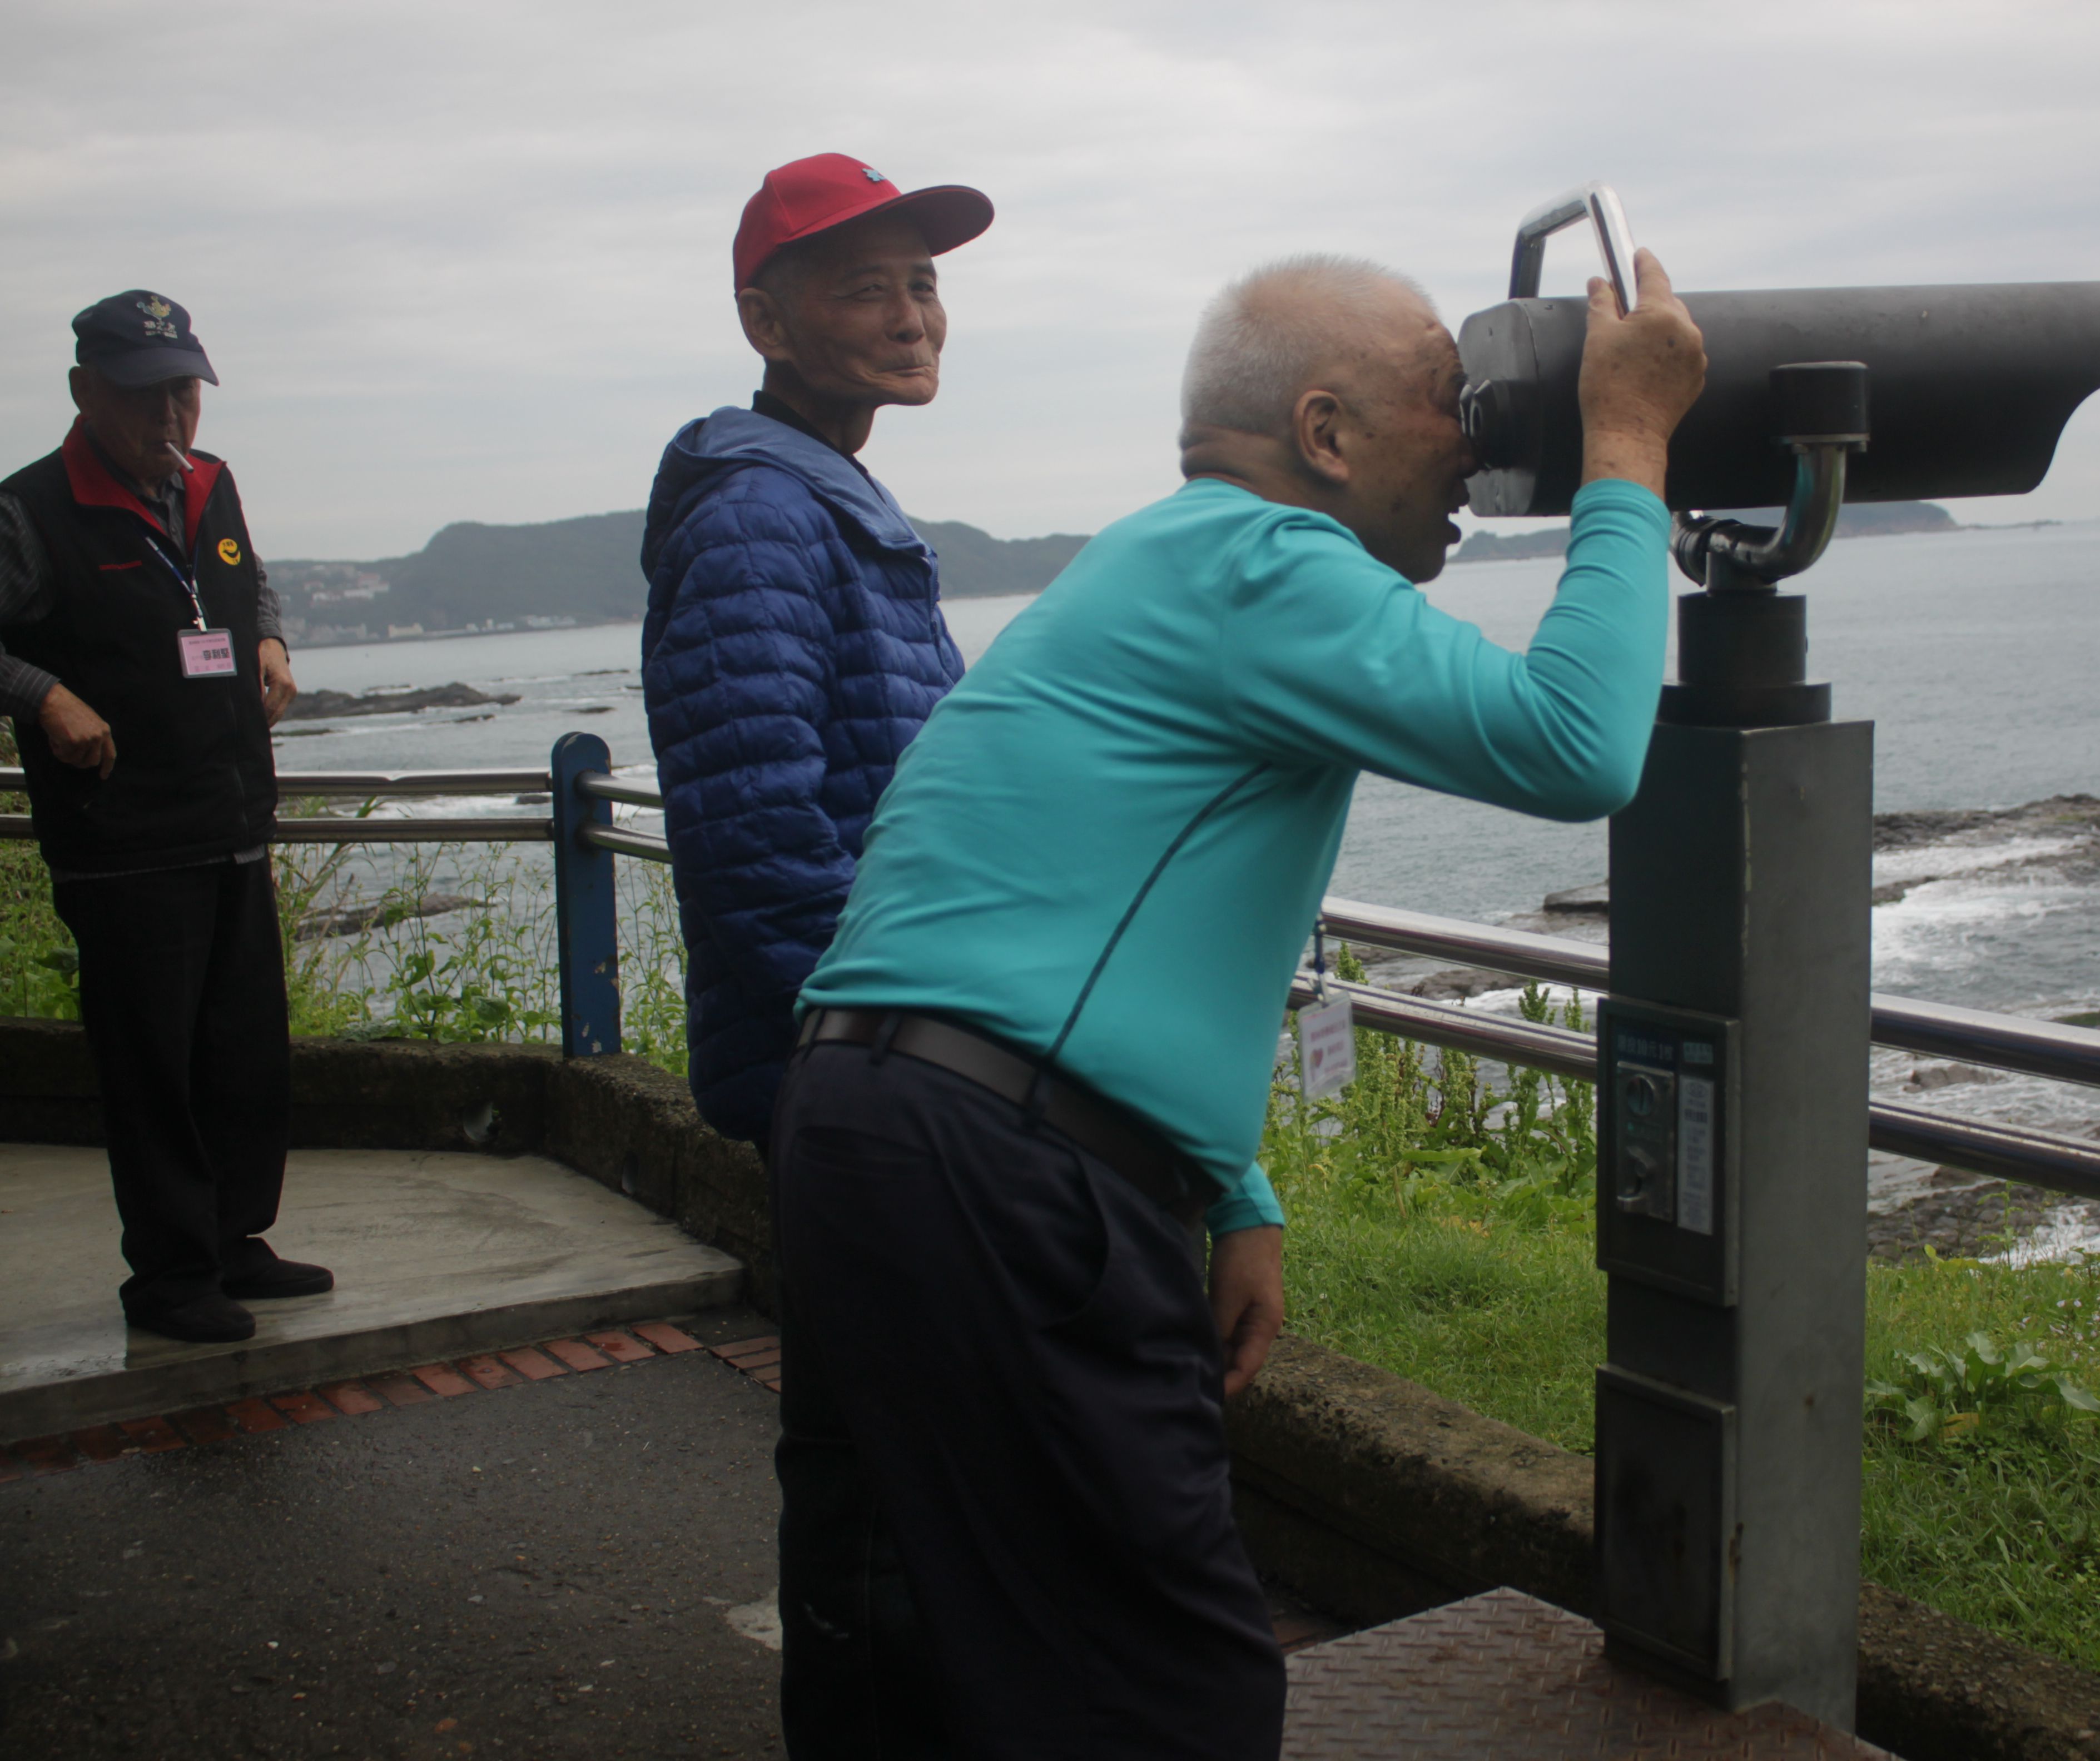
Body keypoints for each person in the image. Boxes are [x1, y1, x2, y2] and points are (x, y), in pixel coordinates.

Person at [773, 250, 1707, 1756]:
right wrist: (1630, 447)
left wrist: (1231, 1181)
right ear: (1326, 433)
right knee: (1164, 1681)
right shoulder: (1271, 566)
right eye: (1442, 397)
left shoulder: (1161, 560)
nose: (1471, 438)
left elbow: (1050, 908)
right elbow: (1576, 747)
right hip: (1001, 1175)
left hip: (868, 1126)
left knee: (899, 1638)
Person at [636, 152, 992, 1753]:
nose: (916, 314)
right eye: (869, 285)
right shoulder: (768, 515)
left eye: (923, 282)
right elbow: (761, 839)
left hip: (873, 1064)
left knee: (903, 1459)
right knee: (874, 1475)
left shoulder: (826, 497)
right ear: (765, 317)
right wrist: (879, 1084)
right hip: (855, 1077)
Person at [0, 291, 316, 1345]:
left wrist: (268, 640)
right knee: (154, 1068)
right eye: (145, 395)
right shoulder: (32, 511)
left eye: (184, 390)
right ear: (87, 392)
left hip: (229, 814)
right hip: (124, 839)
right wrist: (43, 694)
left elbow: (245, 580)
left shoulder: (211, 484)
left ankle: (234, 1243)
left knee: (243, 1055)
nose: (171, 417)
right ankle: (172, 1279)